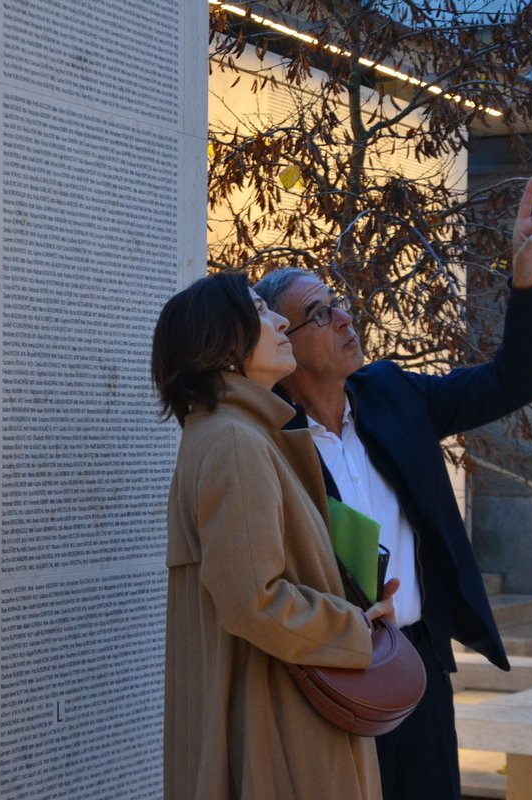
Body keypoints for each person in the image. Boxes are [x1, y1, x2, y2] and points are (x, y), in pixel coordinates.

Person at [253, 176, 532, 800]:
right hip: (324, 673)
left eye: (336, 302)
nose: (344, 317)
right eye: (319, 313)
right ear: (283, 342)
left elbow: (511, 381)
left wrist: (527, 287)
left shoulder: (393, 396)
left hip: (414, 660)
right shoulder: (265, 440)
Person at [152, 270, 397, 800]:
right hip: (281, 727)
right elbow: (252, 599)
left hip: (278, 711)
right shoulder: (236, 441)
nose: (281, 318)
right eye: (261, 313)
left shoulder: (235, 433)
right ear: (222, 344)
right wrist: (353, 627)